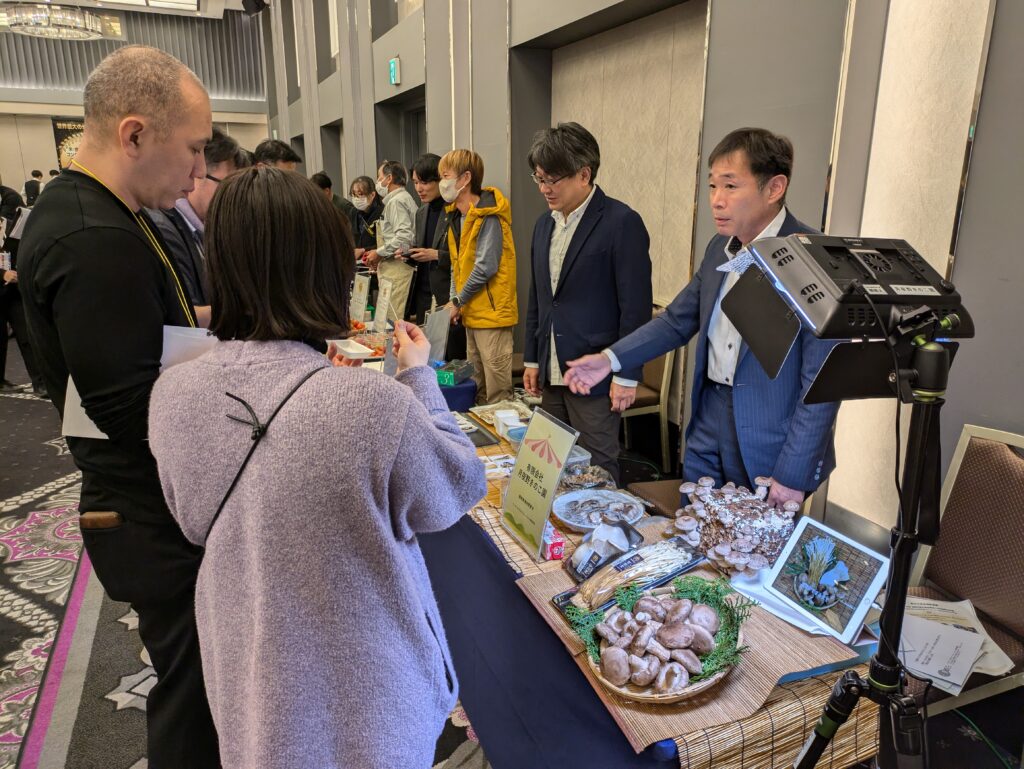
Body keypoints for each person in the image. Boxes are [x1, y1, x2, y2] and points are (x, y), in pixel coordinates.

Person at [148, 166, 485, 768]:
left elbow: (193, 522)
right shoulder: (369, 404)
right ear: (324, 269)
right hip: (367, 689)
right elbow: (453, 487)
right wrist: (418, 378)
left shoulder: (171, 393)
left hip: (249, 669)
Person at [17, 45, 220, 767]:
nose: (198, 171)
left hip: (141, 496)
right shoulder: (94, 237)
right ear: (135, 134)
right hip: (150, 506)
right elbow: (132, 407)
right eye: (193, 148)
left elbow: (143, 342)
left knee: (196, 679)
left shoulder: (102, 213)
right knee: (195, 695)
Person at [565, 128, 840, 508]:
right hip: (709, 419)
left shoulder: (813, 258)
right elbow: (676, 321)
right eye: (712, 186)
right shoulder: (719, 248)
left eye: (730, 186)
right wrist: (609, 359)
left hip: (770, 443)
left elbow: (823, 383)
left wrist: (793, 473)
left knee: (750, 545)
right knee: (694, 530)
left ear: (774, 188)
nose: (716, 200)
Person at [523, 123, 652, 482]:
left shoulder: (621, 222)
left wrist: (627, 374)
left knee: (596, 467)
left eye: (553, 179)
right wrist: (532, 358)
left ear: (584, 174)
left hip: (596, 374)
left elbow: (635, 309)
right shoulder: (544, 225)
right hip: (551, 368)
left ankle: (601, 519)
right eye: (539, 179)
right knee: (548, 463)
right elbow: (539, 297)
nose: (545, 189)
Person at [148, 126, 250, 327]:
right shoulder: (164, 230)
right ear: (198, 174)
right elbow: (181, 316)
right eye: (227, 185)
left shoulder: (202, 228)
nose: (233, 197)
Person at [440, 149, 517, 405]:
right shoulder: (456, 216)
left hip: (493, 316)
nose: (442, 183)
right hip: (472, 314)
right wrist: (454, 301)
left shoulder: (488, 215)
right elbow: (457, 265)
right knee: (477, 389)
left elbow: (486, 266)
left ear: (465, 178)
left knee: (498, 393)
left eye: (446, 176)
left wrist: (458, 301)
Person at [1, 185, 45, 395]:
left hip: (14, 289)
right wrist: (2, 274)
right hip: (4, 282)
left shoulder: (10, 205)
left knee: (27, 335)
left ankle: (40, 382)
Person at [363, 160, 417, 323]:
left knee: (394, 323)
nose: (377, 182)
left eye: (379, 178)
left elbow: (404, 237)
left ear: (389, 178)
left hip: (398, 270)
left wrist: (379, 253)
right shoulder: (402, 199)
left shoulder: (396, 201)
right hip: (394, 267)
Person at [405, 153, 451, 324]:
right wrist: (409, 255)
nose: (419, 189)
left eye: (424, 182)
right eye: (415, 182)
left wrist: (436, 255)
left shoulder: (454, 211)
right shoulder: (421, 212)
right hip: (423, 295)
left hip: (446, 295)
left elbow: (466, 256)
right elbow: (422, 249)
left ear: (440, 180)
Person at [348, 174, 384, 257]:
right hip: (357, 260)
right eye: (353, 195)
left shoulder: (382, 212)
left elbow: (386, 243)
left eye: (360, 194)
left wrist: (364, 250)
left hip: (376, 257)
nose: (356, 199)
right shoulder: (353, 212)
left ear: (372, 195)